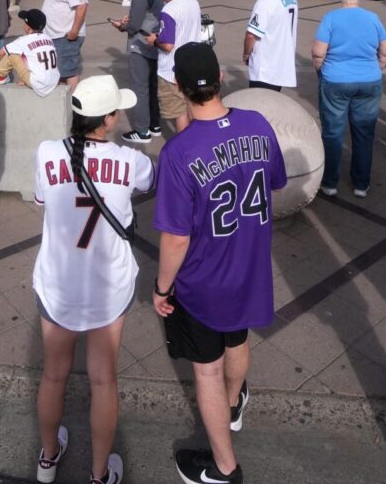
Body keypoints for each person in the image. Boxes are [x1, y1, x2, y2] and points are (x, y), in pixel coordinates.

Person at [153, 42, 286, 484]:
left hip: (204, 278)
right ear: (221, 79)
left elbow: (175, 237)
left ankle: (224, 468)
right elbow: (276, 182)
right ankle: (232, 406)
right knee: (238, 339)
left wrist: (160, 288)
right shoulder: (258, 124)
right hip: (249, 267)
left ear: (180, 88)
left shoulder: (179, 152)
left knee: (206, 369)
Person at [31, 75, 153, 484]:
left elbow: (42, 200)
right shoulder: (131, 160)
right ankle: (100, 475)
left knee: (53, 375)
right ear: (108, 119)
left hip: (58, 283)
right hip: (107, 287)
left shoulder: (47, 153)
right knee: (103, 379)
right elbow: (147, 181)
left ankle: (48, 459)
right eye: (118, 109)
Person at [311, 0, 386, 197]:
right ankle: (361, 184)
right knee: (364, 133)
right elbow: (385, 50)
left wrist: (321, 71)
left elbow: (318, 53)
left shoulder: (330, 18)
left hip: (336, 80)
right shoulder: (373, 17)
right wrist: (378, 67)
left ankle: (330, 183)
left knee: (333, 132)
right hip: (369, 80)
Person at [113, 0, 164, 144]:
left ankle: (142, 131)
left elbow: (134, 26)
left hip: (140, 45)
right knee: (152, 86)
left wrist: (122, 25)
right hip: (156, 44)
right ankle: (155, 125)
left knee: (140, 88)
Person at [148, 0, 202, 136]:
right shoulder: (193, 2)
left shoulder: (169, 10)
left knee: (179, 114)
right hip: (191, 64)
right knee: (192, 107)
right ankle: (196, 142)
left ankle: (182, 148)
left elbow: (168, 45)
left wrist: (154, 40)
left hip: (171, 70)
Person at [242, 0, 297, 93]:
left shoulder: (266, 1)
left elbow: (251, 35)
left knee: (260, 108)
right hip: (280, 65)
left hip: (265, 69)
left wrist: (246, 54)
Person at [40, 0, 90, 87]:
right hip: (55, 34)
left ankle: (71, 105)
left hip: (66, 34)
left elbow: (81, 5)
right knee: (59, 72)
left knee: (68, 72)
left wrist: (74, 30)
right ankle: (63, 103)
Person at [2, 8, 60, 97]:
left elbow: (1, 52)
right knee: (29, 56)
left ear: (28, 28)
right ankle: (26, 79)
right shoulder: (49, 38)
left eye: (24, 23)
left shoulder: (23, 40)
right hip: (54, 81)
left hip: (39, 85)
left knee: (12, 55)